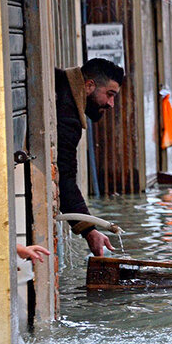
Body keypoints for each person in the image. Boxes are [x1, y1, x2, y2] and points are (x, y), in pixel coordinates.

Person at [55, 58, 125, 256]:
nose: (111, 104)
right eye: (109, 95)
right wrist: (89, 230)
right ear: (89, 86)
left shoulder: (59, 82)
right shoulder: (67, 115)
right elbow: (64, 178)